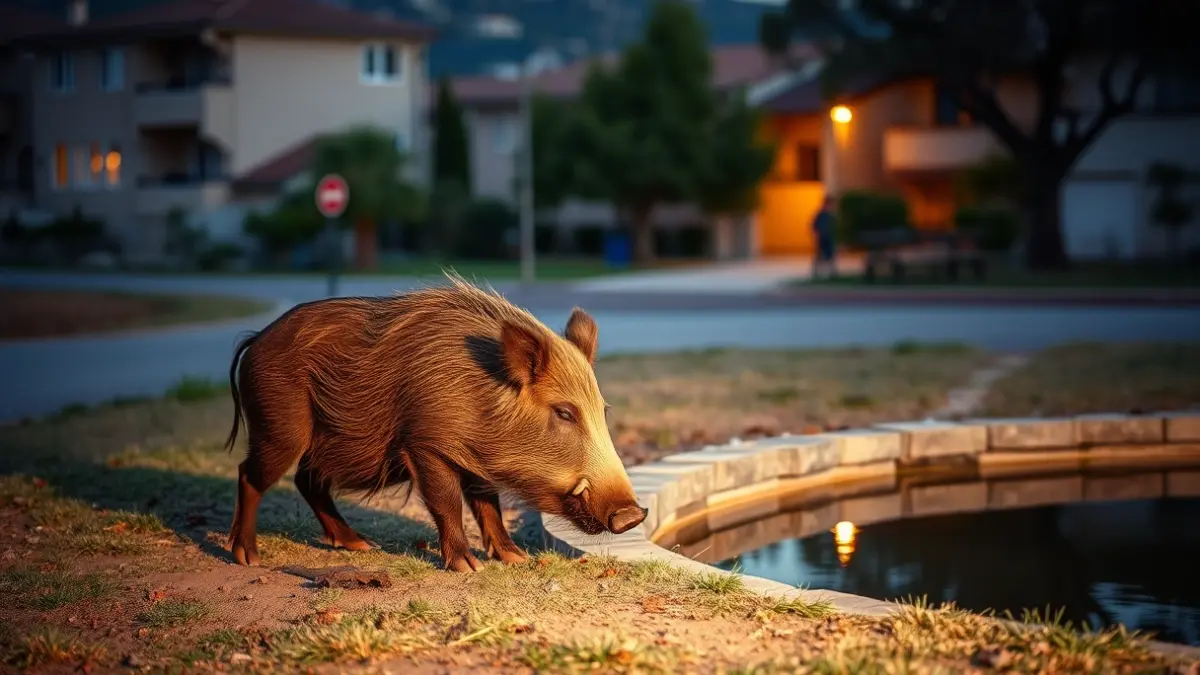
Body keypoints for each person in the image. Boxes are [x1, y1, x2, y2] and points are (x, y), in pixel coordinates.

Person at [811, 195, 838, 279]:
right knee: (820, 255)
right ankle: (816, 271)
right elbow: (815, 225)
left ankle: (832, 272)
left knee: (831, 255)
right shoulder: (821, 214)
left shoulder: (832, 215)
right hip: (823, 237)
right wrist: (817, 233)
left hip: (830, 237)